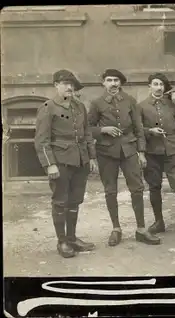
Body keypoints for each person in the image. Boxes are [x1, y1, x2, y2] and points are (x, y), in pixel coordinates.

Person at [88, 69, 160, 246]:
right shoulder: (96, 103)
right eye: (109, 80)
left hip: (129, 150)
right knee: (110, 190)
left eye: (116, 81)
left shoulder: (130, 101)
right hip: (106, 152)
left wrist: (141, 152)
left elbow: (138, 127)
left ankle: (141, 229)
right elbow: (88, 129)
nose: (113, 84)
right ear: (103, 83)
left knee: (137, 188)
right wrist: (102, 130)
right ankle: (116, 229)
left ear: (120, 83)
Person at [34, 69, 98, 258]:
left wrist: (91, 157)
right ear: (56, 85)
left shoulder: (79, 107)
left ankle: (72, 238)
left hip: (80, 161)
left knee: (75, 201)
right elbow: (41, 140)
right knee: (60, 202)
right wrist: (50, 165)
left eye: (72, 85)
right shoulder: (48, 107)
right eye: (65, 83)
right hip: (60, 162)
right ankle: (62, 242)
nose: (69, 87)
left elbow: (87, 134)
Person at [137, 73, 175, 239]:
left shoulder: (173, 105)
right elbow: (137, 130)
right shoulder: (141, 106)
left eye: (161, 85)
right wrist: (150, 131)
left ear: (165, 88)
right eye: (155, 84)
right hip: (151, 153)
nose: (158, 87)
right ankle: (159, 222)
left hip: (172, 152)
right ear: (149, 86)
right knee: (154, 187)